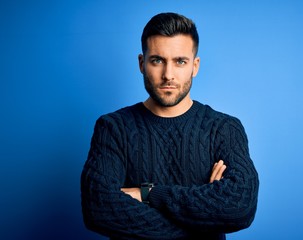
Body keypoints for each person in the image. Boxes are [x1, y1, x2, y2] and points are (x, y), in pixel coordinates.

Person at [81, 12, 259, 240]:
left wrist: (148, 194)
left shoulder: (224, 128)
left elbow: (239, 208)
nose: (168, 75)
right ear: (141, 64)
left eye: (180, 61)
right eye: (157, 60)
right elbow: (99, 210)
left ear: (195, 66)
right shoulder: (113, 128)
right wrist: (204, 217)